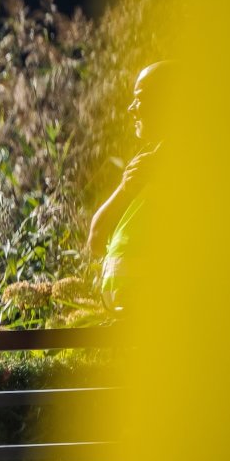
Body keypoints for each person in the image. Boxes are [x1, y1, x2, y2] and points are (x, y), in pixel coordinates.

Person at [85, 61, 167, 311]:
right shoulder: (145, 163)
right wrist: (126, 187)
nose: (131, 108)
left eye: (140, 98)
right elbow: (96, 239)